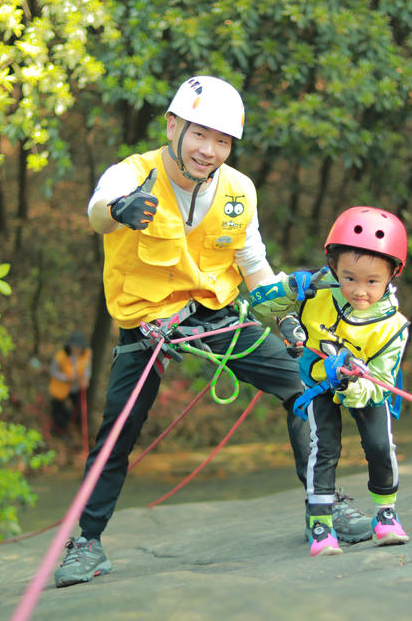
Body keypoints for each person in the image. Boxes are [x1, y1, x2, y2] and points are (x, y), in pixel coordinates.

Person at [54, 75, 371, 587]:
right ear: (173, 125)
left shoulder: (237, 190)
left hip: (218, 318)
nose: (210, 150)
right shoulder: (132, 174)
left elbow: (255, 267)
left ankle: (326, 505)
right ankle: (85, 543)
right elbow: (97, 213)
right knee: (118, 431)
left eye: (222, 140)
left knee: (304, 387)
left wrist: (285, 319)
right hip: (150, 324)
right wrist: (119, 210)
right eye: (200, 134)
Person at [249, 206, 410, 556]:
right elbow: (257, 308)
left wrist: (350, 382)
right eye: (349, 278)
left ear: (391, 276)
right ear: (334, 267)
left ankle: (386, 514)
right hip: (318, 383)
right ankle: (320, 523)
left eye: (372, 282)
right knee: (323, 448)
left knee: (380, 445)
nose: (359, 291)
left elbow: (380, 382)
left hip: (363, 389)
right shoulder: (315, 292)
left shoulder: (393, 326)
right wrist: (290, 288)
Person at [49, 330, 91, 436]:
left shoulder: (86, 354)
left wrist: (86, 378)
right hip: (61, 389)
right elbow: (52, 371)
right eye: (75, 347)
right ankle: (59, 430)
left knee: (76, 408)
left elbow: (87, 368)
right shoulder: (60, 357)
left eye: (79, 347)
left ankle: (74, 424)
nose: (77, 350)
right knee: (59, 411)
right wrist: (66, 378)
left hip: (76, 389)